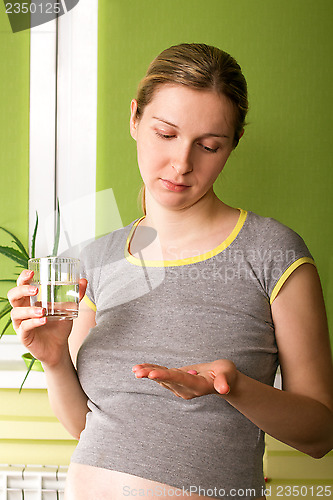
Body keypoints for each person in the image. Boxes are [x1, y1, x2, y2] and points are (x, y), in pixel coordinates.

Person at [8, 43, 333, 500]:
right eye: (165, 134)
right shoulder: (97, 259)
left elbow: (320, 435)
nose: (182, 164)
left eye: (209, 146)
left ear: (233, 144)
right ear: (135, 119)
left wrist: (232, 386)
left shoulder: (272, 252)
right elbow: (86, 426)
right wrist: (55, 361)